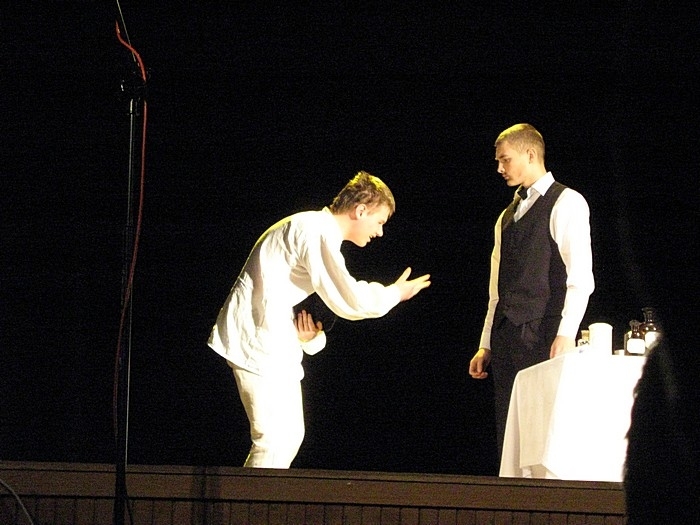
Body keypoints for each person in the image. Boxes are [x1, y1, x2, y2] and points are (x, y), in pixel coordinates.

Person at [208, 170, 431, 468]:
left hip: (269, 337)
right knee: (274, 440)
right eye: (379, 222)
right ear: (360, 210)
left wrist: (311, 337)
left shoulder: (314, 230)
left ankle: (254, 497)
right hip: (256, 339)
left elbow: (313, 300)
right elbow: (348, 297)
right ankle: (249, 499)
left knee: (288, 436)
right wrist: (394, 294)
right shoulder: (315, 231)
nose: (379, 232)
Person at [468, 123, 595, 461]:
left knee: (544, 435)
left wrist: (566, 333)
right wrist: (485, 343)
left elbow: (581, 276)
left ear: (529, 154)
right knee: (510, 434)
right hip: (507, 336)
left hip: (543, 333)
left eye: (505, 159)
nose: (500, 168)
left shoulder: (566, 202)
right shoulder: (505, 216)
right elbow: (496, 288)